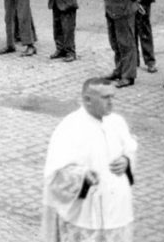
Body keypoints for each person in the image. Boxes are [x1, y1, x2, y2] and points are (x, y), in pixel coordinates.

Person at [41, 78, 137, 242]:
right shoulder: (70, 127)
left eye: (112, 97)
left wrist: (126, 160)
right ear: (87, 100)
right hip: (85, 213)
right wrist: (82, 177)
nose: (111, 102)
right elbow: (55, 172)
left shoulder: (117, 122)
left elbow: (130, 147)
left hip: (116, 210)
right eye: (105, 97)